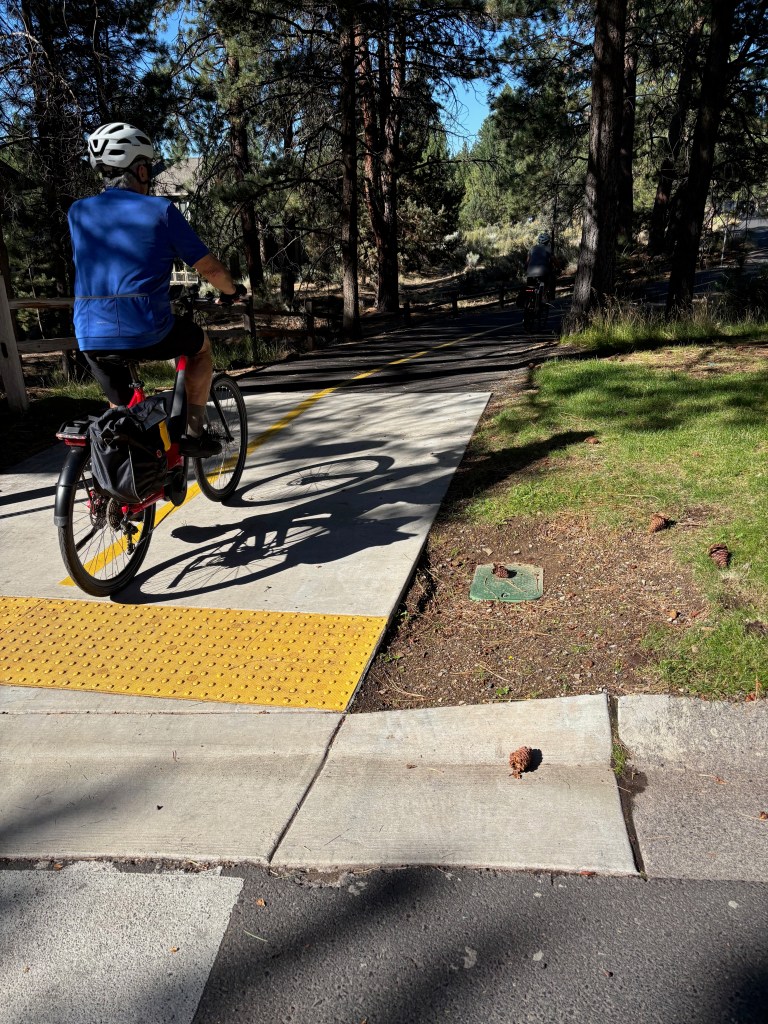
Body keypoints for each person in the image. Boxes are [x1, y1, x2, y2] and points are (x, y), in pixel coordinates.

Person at [68, 122, 246, 457]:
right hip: (146, 328)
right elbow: (210, 269)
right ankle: (193, 433)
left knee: (121, 415)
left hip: (89, 333)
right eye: (148, 167)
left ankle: (126, 466)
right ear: (140, 170)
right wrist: (231, 291)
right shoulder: (160, 211)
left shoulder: (77, 212)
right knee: (200, 347)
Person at [525, 231, 558, 301]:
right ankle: (543, 295)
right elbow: (554, 260)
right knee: (548, 281)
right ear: (547, 242)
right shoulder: (548, 249)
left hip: (530, 271)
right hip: (543, 271)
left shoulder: (532, 248)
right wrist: (559, 267)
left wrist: (526, 269)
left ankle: (529, 299)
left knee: (530, 288)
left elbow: (527, 261)